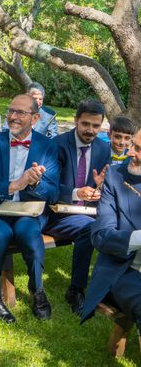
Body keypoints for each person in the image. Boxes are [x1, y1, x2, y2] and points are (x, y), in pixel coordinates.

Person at [0, 94, 59, 323]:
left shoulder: (47, 147)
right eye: (11, 111)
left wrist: (35, 183)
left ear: (35, 118)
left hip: (26, 210)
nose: (13, 117)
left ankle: (37, 290)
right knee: (0, 233)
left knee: (29, 232)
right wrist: (14, 185)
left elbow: (54, 193)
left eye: (20, 113)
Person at [44, 99, 110, 315]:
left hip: (88, 211)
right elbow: (49, 188)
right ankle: (77, 289)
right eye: (86, 124)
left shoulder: (102, 148)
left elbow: (103, 184)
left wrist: (99, 188)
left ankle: (112, 289)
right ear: (75, 121)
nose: (90, 130)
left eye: (96, 126)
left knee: (116, 228)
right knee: (90, 230)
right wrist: (76, 193)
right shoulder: (57, 145)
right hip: (56, 213)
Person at [82, 129, 141, 330]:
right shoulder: (116, 177)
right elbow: (101, 236)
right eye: (133, 145)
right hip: (125, 270)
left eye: (139, 149)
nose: (130, 152)